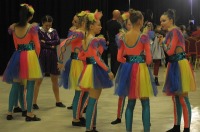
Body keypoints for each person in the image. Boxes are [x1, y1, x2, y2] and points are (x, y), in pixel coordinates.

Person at [115, 9, 157, 132]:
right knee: (145, 103)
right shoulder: (143, 37)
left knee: (130, 103)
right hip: (141, 70)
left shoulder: (123, 36)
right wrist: (140, 60)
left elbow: (119, 57)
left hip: (127, 69)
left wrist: (129, 62)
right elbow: (149, 59)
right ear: (139, 21)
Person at [2, 3, 42, 121]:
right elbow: (37, 46)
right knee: (30, 85)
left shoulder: (14, 27)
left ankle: (10, 112)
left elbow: (15, 44)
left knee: (15, 85)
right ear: (30, 16)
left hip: (17, 55)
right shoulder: (32, 27)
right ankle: (29, 113)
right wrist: (36, 58)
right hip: (30, 56)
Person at [160, 9, 196, 132]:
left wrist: (162, 43)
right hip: (173, 64)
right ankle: (176, 126)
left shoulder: (175, 31)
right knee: (175, 97)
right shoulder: (170, 32)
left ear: (171, 20)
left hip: (179, 65)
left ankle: (186, 128)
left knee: (182, 97)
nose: (162, 23)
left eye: (164, 20)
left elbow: (169, 51)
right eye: (161, 21)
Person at [78, 10, 114, 132]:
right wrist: (108, 69)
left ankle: (92, 127)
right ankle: (89, 128)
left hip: (90, 68)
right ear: (91, 26)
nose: (101, 27)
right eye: (98, 25)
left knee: (94, 100)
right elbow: (97, 57)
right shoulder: (92, 39)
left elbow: (83, 56)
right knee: (93, 100)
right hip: (94, 69)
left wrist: (100, 45)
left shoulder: (85, 39)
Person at [58, 11, 89, 127]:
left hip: (84, 63)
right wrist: (60, 61)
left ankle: (79, 115)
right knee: (80, 92)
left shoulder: (84, 32)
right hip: (78, 64)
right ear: (84, 21)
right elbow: (63, 44)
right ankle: (75, 119)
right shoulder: (79, 33)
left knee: (85, 92)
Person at [33, 15, 65, 109]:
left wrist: (46, 42)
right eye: (46, 25)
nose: (48, 27)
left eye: (50, 25)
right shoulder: (38, 31)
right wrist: (50, 44)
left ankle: (58, 101)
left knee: (54, 79)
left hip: (52, 56)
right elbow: (39, 42)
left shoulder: (53, 31)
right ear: (42, 23)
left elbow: (57, 41)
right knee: (39, 80)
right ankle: (34, 102)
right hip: (42, 56)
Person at [111, 11, 132, 125]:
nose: (130, 26)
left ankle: (146, 119)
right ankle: (119, 117)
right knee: (122, 92)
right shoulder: (122, 37)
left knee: (139, 92)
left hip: (136, 67)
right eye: (129, 24)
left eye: (132, 24)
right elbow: (120, 55)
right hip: (126, 66)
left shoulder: (140, 36)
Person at [105, 9, 122, 76]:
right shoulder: (118, 24)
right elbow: (120, 35)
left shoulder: (108, 22)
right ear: (117, 15)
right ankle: (115, 73)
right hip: (116, 43)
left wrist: (108, 40)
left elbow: (106, 32)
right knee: (116, 59)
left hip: (110, 43)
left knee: (112, 59)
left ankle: (112, 72)